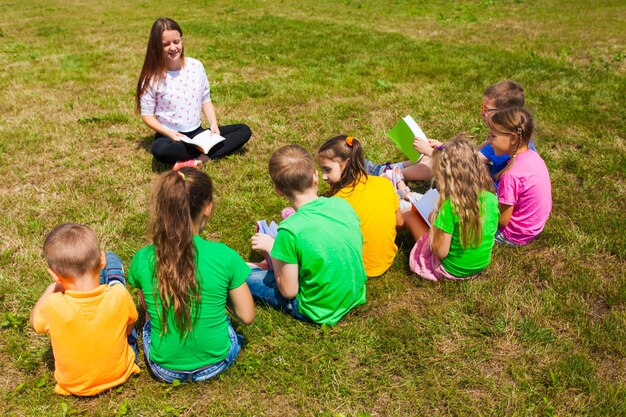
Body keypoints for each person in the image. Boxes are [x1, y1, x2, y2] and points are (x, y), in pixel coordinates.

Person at [128, 168, 254, 383]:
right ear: (207, 208)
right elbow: (247, 316)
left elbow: (148, 308)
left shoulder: (142, 258)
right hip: (217, 362)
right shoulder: (224, 255)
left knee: (150, 322)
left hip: (164, 370)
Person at [247, 145, 366, 325]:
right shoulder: (342, 204)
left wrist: (273, 248)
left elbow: (288, 291)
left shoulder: (289, 230)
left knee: (243, 276)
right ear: (315, 176)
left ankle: (256, 267)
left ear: (278, 190)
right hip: (354, 293)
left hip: (319, 309)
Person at [30, 224, 140, 396]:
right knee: (117, 286)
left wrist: (52, 288)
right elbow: (128, 329)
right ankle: (114, 277)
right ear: (101, 259)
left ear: (54, 274)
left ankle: (108, 277)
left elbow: (34, 323)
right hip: (120, 372)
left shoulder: (52, 305)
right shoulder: (119, 296)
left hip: (74, 385)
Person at [136, 17, 252, 170]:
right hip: (171, 137)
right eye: (166, 44)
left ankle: (199, 159)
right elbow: (147, 115)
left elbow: (205, 99)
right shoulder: (151, 78)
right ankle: (205, 152)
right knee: (160, 150)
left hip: (198, 133)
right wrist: (170, 133)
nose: (173, 47)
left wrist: (213, 124)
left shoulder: (196, 66)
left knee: (243, 130)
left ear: (182, 40)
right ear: (157, 46)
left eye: (176, 42)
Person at [404, 137, 500, 281]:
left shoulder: (450, 206)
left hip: (452, 269)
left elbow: (440, 252)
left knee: (409, 216)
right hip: (480, 265)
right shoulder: (491, 198)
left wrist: (435, 225)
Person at [316, 135, 401, 277]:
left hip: (355, 269)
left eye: (328, 170)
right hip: (386, 260)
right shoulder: (384, 183)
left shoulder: (336, 203)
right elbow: (400, 222)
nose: (323, 176)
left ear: (346, 164)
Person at [485, 108, 552, 246]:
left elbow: (501, 221)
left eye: (493, 136)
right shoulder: (533, 156)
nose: (489, 141)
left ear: (514, 138)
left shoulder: (511, 175)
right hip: (532, 228)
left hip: (512, 235)